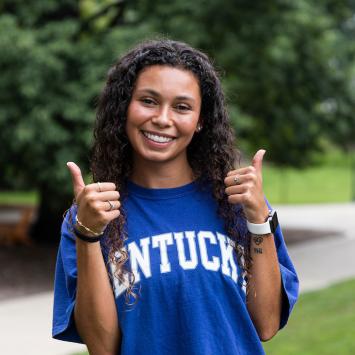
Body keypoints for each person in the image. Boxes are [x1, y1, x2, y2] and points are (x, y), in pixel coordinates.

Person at [52, 39, 299, 355]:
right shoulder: (91, 216)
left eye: (182, 107)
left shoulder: (239, 205)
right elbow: (102, 347)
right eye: (149, 101)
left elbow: (265, 325)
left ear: (200, 121)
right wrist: (87, 236)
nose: (163, 119)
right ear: (124, 106)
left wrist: (258, 221)